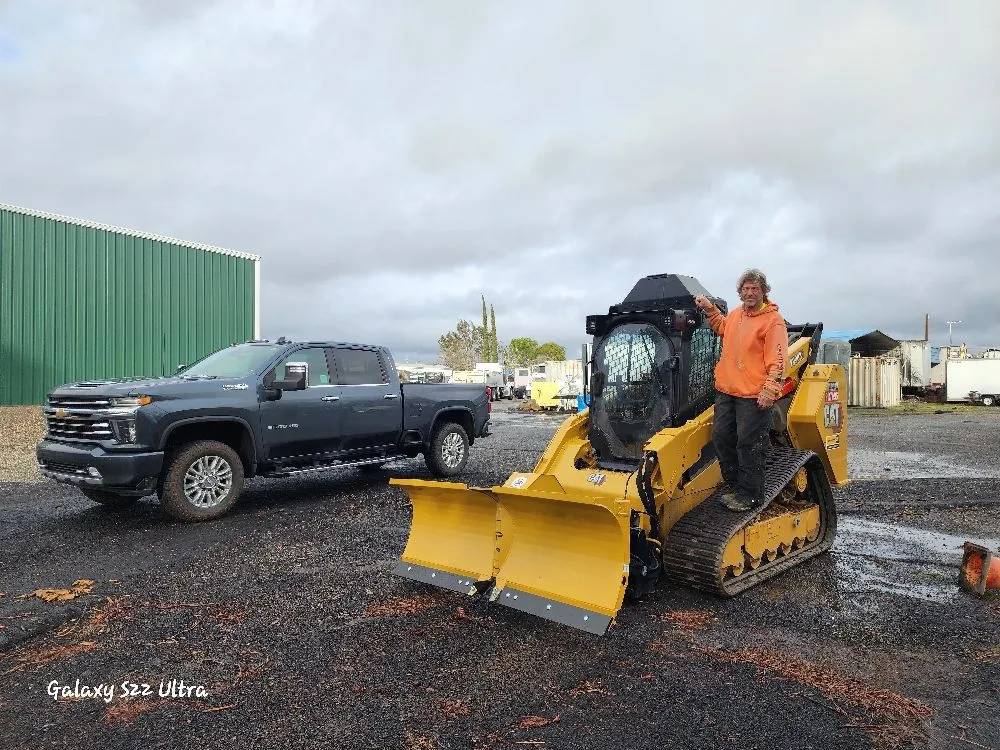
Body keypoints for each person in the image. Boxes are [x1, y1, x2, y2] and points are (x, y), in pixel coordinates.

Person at [693, 269, 787, 512]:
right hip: (727, 390)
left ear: (764, 292)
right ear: (740, 292)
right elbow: (722, 327)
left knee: (749, 444)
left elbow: (778, 359)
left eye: (755, 289)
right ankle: (734, 484)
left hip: (754, 394)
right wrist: (709, 308)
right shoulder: (736, 315)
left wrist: (770, 389)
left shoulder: (772, 321)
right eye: (746, 289)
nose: (750, 293)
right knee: (722, 438)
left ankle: (751, 494)